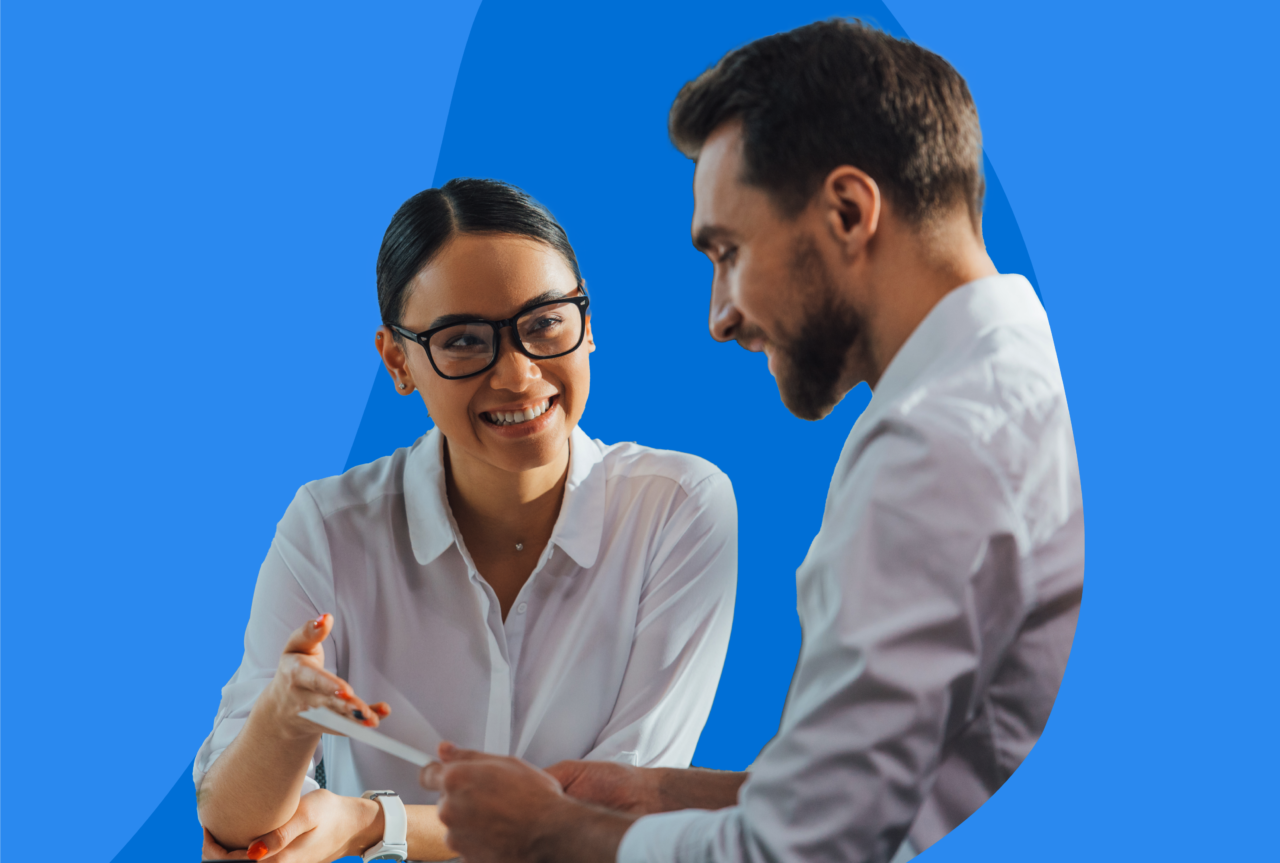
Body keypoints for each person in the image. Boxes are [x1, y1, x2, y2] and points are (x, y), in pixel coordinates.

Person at [417, 19, 1084, 863]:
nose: (720, 315)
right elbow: (899, 792)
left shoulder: (930, 452)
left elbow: (800, 853)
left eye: (728, 251)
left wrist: (551, 833)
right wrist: (659, 793)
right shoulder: (1020, 376)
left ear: (848, 210)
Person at [194, 178, 738, 862]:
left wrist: (374, 823)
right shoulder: (329, 527)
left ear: (588, 323)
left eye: (545, 324)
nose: (517, 374)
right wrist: (282, 721)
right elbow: (234, 825)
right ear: (398, 361)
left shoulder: (678, 507)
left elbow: (617, 813)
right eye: (463, 340)